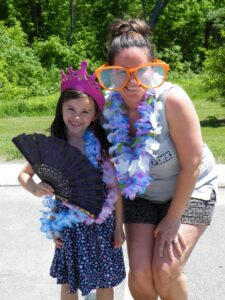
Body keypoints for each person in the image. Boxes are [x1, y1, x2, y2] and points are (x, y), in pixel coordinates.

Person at [95, 19, 218, 300]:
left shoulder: (172, 100)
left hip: (191, 189)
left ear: (153, 68)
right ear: (111, 73)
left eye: (140, 72)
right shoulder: (105, 108)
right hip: (142, 195)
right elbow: (78, 139)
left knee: (166, 270)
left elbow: (193, 164)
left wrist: (174, 218)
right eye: (121, 73)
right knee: (139, 274)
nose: (131, 82)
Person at [17, 61, 126, 300]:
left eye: (85, 111)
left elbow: (113, 188)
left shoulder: (101, 147)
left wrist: (119, 226)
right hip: (69, 227)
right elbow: (23, 175)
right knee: (69, 282)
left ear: (95, 115)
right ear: (61, 109)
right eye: (71, 109)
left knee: (105, 280)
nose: (77, 116)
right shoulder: (53, 146)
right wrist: (36, 188)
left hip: (102, 225)